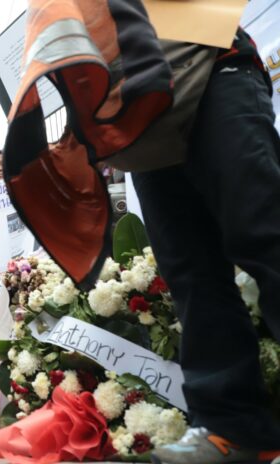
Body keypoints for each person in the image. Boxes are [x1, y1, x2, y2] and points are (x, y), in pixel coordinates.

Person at [131, 31, 280, 464]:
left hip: (214, 63)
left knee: (265, 233)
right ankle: (232, 430)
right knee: (190, 270)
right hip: (137, 112)